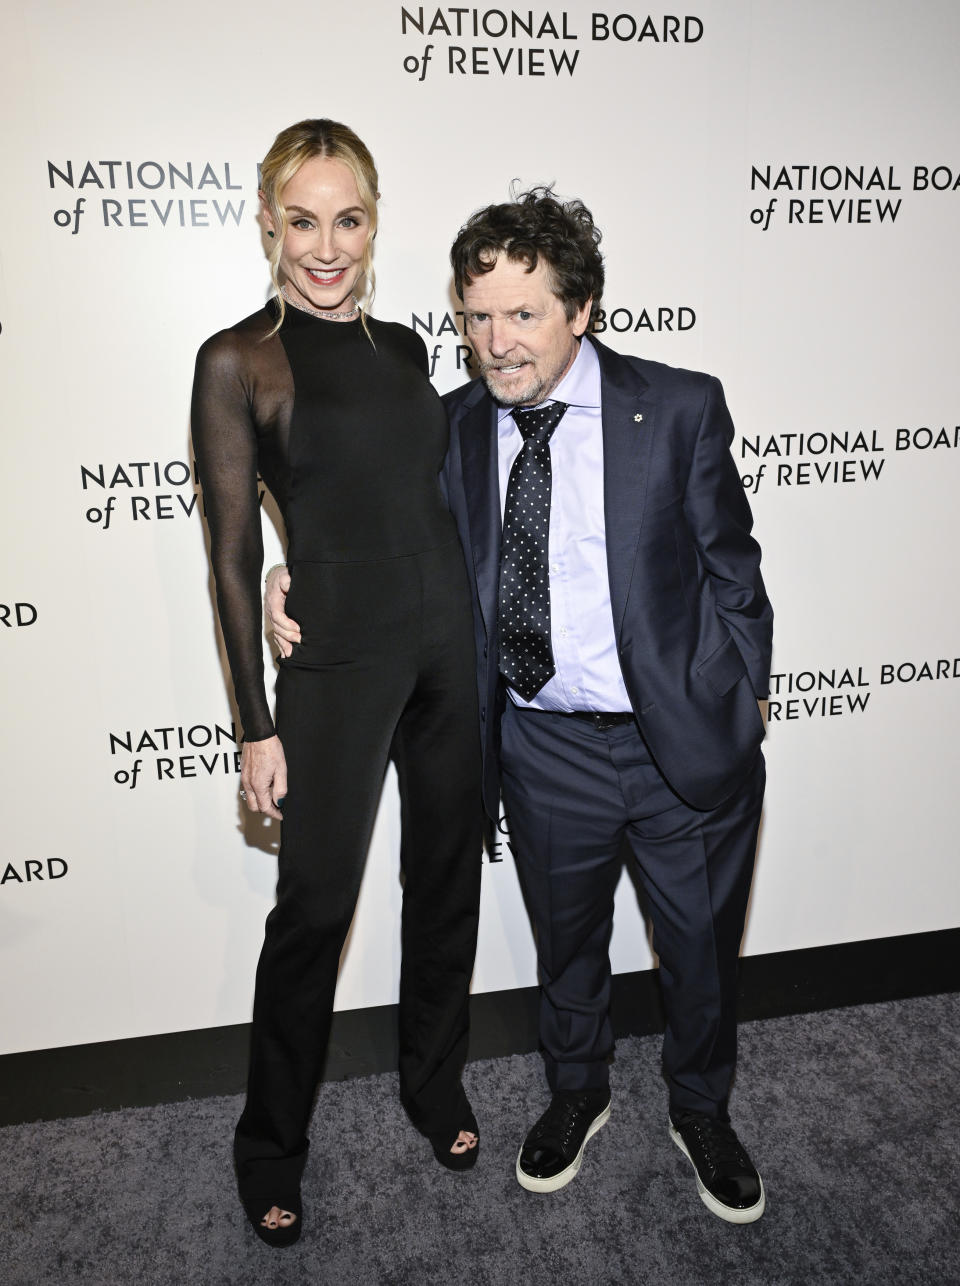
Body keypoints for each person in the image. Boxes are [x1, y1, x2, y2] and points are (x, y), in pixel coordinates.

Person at [268, 187, 773, 1224]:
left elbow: (735, 570)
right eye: (477, 315)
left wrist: (746, 693)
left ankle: (701, 1108)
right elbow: (366, 526)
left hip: (678, 743)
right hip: (544, 748)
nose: (497, 343)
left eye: (524, 313)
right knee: (568, 952)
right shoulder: (447, 427)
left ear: (580, 308)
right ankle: (576, 1089)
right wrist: (291, 575)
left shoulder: (676, 407)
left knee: (702, 957)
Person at [191, 119, 482, 1249]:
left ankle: (433, 1081)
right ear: (268, 222)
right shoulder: (239, 359)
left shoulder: (408, 349)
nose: (326, 246)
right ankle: (270, 1143)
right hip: (335, 665)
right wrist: (254, 723)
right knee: (312, 910)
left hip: (445, 648)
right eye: (302, 220)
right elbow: (225, 551)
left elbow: (426, 499)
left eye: (347, 220)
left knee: (446, 874)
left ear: (374, 222)